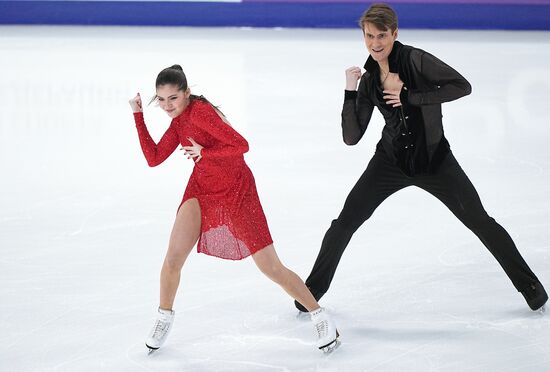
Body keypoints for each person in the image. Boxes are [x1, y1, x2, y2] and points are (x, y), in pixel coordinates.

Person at [294, 3, 547, 314]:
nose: (376, 43)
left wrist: (410, 96)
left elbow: (461, 86)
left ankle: (530, 286)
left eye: (382, 36)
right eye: (370, 36)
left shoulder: (416, 59)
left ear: (394, 33)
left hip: (434, 162)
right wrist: (349, 91)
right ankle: (312, 290)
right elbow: (351, 136)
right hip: (389, 162)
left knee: (480, 221)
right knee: (344, 223)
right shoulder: (370, 77)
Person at [128, 65, 339, 354]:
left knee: (270, 267)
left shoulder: (200, 111)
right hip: (201, 189)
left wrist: (205, 152)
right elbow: (153, 158)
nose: (167, 106)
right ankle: (164, 316)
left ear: (187, 93)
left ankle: (319, 315)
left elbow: (241, 144)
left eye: (173, 98)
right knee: (173, 257)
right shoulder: (178, 122)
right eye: (161, 100)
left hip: (237, 191)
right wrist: (138, 115)